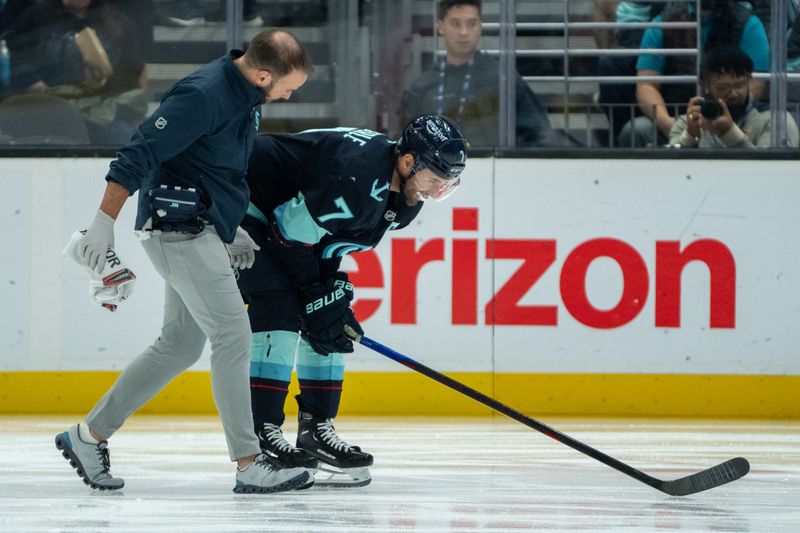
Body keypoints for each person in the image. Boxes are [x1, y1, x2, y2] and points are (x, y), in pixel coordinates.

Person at [55, 29, 314, 494]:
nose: (288, 95)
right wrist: (101, 222)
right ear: (261, 74)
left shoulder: (247, 96)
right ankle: (249, 462)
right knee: (233, 333)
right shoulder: (204, 94)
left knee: (179, 345)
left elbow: (215, 166)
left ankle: (87, 435)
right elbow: (139, 152)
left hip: (201, 227)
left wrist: (229, 224)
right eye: (287, 87)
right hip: (180, 230)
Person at [236, 115, 467, 487]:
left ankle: (315, 432)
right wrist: (314, 291)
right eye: (436, 179)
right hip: (244, 201)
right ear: (408, 163)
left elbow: (327, 241)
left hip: (284, 218)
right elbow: (289, 231)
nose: (439, 190)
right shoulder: (358, 178)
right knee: (278, 306)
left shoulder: (406, 196)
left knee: (327, 317)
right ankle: (262, 436)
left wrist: (325, 293)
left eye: (448, 183)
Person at [398, 0, 552, 147]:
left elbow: (539, 134)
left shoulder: (501, 78)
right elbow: (404, 142)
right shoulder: (421, 86)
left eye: (471, 24)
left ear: (480, 26)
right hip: (436, 171)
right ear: (440, 26)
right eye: (456, 24)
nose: (464, 32)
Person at [620, 0, 770, 147]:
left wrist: (730, 127)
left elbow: (755, 85)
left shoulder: (749, 24)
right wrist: (671, 124)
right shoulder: (662, 23)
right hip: (676, 114)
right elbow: (646, 85)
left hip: (739, 118)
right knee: (638, 129)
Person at [5, 0, 149, 144]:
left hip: (99, 111)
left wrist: (102, 79)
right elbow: (14, 56)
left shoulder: (117, 23)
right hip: (46, 107)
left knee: (123, 138)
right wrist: (33, 81)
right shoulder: (36, 17)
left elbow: (133, 71)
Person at [669, 45, 799, 148]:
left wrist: (728, 133)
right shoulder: (690, 121)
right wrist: (690, 135)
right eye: (723, 88)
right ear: (705, 85)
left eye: (739, 85)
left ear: (749, 80)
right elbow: (666, 167)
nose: (734, 94)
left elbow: (773, 172)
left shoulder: (776, 120)